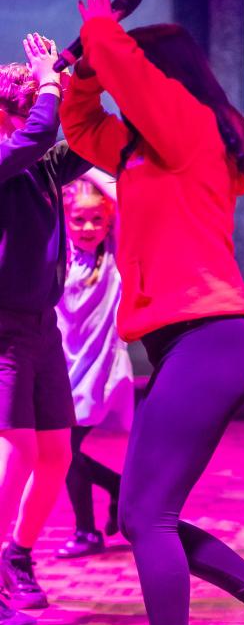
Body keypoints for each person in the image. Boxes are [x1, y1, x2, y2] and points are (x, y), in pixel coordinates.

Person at [59, 0, 244, 625]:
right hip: (182, 346)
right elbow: (82, 129)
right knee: (144, 515)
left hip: (210, 342)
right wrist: (84, 71)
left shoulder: (190, 126)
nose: (124, 82)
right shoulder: (144, 147)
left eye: (136, 70)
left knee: (146, 517)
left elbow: (132, 77)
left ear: (161, 74)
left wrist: (101, 29)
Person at [0, 35, 91, 625]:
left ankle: (17, 556)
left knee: (57, 451)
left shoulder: (37, 164)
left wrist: (81, 75)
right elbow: (36, 135)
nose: (47, 111)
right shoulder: (10, 154)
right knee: (20, 451)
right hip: (3, 331)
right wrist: (51, 82)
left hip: (42, 328)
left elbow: (77, 145)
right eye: (36, 100)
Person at [54, 171, 133, 558]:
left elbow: (118, 189)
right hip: (61, 367)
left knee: (63, 449)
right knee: (56, 450)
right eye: (78, 219)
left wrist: (77, 164)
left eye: (97, 219)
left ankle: (86, 531)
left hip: (96, 370)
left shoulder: (115, 254)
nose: (87, 227)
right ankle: (116, 487)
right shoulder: (59, 252)